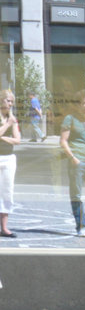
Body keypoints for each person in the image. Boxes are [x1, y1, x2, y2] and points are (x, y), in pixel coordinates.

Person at [59, 90, 85, 237]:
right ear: (78, 105)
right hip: (77, 161)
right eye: (84, 103)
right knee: (77, 195)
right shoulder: (70, 119)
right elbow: (63, 141)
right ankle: (81, 226)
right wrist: (73, 157)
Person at [0, 90, 21, 238]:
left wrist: (2, 138)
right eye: (8, 100)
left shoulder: (13, 119)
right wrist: (6, 125)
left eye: (12, 101)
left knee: (7, 192)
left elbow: (17, 140)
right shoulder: (9, 120)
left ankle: (4, 228)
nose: (10, 104)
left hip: (8, 158)